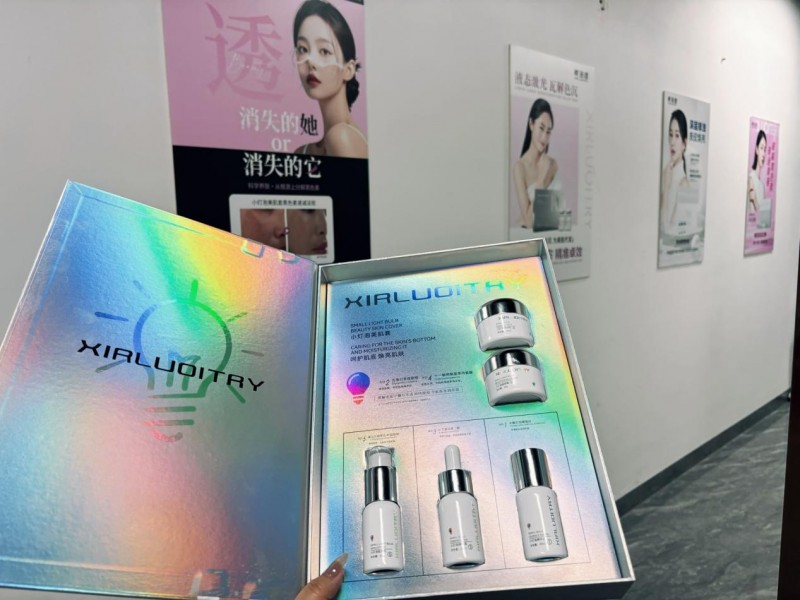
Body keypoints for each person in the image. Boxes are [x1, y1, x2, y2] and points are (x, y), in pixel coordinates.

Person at [293, 0, 367, 158]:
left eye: (324, 51)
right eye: (303, 49)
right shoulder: (303, 152)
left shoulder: (342, 137)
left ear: (349, 70)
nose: (311, 62)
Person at [512, 99, 561, 229]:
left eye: (548, 131)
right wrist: (541, 179)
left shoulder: (553, 165)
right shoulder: (520, 168)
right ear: (531, 124)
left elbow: (558, 215)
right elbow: (529, 223)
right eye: (541, 128)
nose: (544, 137)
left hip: (552, 235)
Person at [659, 109, 690, 232]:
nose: (672, 142)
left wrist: (666, 187)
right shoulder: (665, 172)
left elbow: (668, 230)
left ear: (684, 143)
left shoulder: (685, 184)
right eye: (670, 134)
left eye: (677, 136)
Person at [747, 129, 767, 212]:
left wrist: (755, 200)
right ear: (756, 150)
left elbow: (762, 212)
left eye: (765, 149)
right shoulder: (751, 177)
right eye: (761, 148)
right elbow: (752, 211)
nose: (764, 154)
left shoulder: (762, 186)